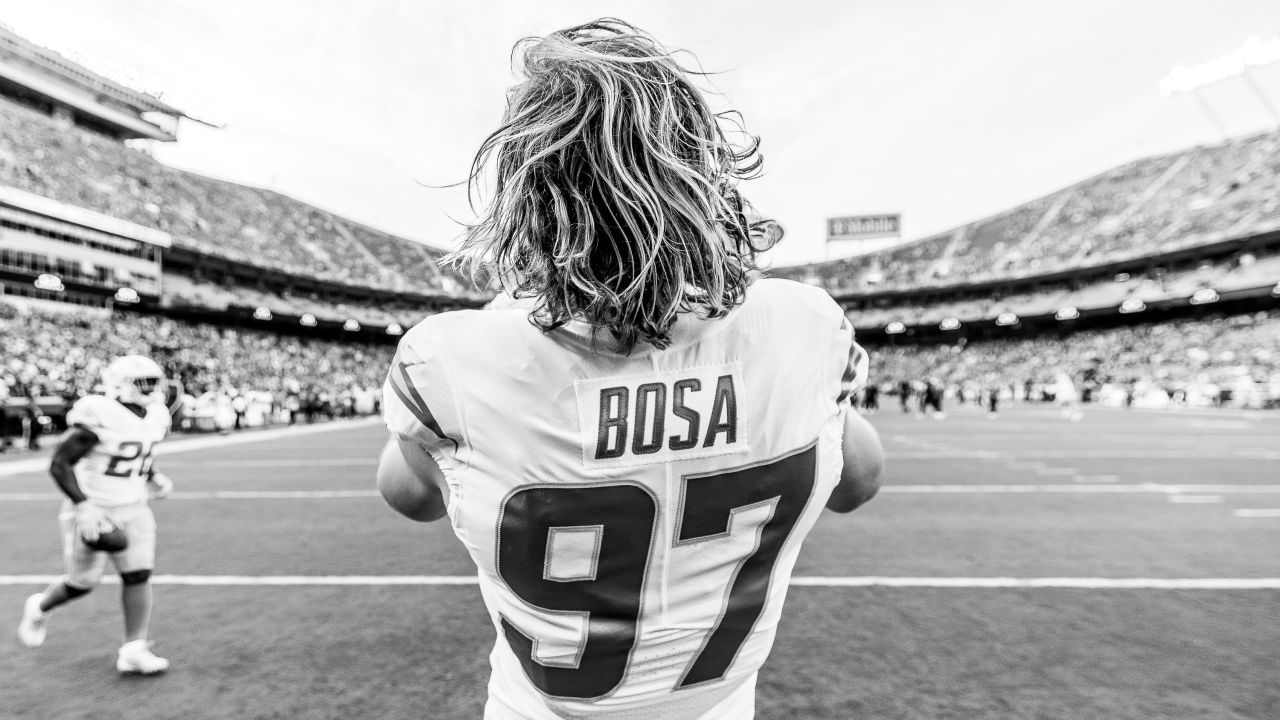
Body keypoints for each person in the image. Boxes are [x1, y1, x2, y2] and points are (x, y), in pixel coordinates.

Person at [377, 19, 884, 720]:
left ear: (528, 196)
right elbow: (859, 481)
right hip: (717, 704)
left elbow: (409, 495)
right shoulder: (801, 327)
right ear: (697, 168)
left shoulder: (457, 359)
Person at [17, 355, 175, 675]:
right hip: (95, 508)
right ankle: (40, 606)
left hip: (135, 506)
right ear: (120, 384)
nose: (151, 388)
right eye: (142, 382)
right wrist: (83, 505)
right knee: (82, 583)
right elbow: (59, 464)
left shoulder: (156, 415)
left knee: (138, 575)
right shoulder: (101, 412)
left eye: (153, 381)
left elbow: (136, 450)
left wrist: (153, 475)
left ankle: (133, 648)